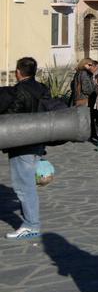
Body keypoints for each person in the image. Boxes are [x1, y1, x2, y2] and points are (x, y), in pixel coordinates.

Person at [0, 57, 50, 239]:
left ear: (18, 72)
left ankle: (31, 224)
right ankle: (31, 222)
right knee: (28, 183)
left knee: (24, 186)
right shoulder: (43, 88)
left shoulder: (18, 91)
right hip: (39, 139)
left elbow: (12, 117)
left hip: (21, 143)